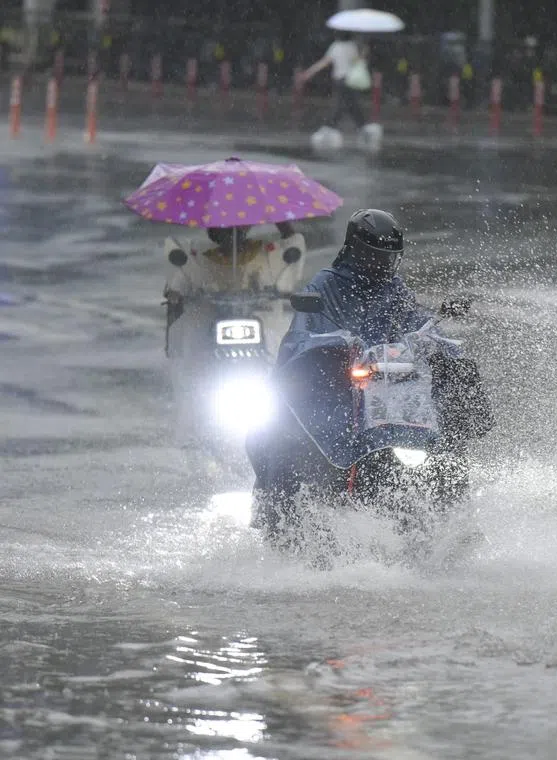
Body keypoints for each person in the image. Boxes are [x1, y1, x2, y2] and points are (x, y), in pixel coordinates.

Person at [247, 209, 494, 539]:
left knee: (452, 397)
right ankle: (286, 516)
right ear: (355, 250)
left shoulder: (395, 289)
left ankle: (454, 514)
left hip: (389, 389)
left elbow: (413, 322)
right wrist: (336, 346)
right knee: (284, 437)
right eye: (374, 257)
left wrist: (434, 337)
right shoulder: (326, 285)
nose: (381, 265)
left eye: (388, 259)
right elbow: (304, 335)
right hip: (336, 389)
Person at [163, 222, 306, 358]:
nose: (230, 236)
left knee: (283, 348)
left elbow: (293, 244)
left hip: (261, 321)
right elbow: (181, 282)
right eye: (223, 231)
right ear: (214, 233)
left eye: (235, 230)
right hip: (211, 324)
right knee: (193, 347)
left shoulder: (265, 253)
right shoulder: (200, 260)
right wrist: (176, 294)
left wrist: (279, 218)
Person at [301, 31, 369, 134]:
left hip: (338, 80)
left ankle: (333, 127)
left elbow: (324, 62)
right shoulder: (352, 46)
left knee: (347, 105)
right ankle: (332, 127)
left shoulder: (335, 46)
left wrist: (309, 72)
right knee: (349, 105)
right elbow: (357, 62)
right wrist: (364, 52)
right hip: (349, 80)